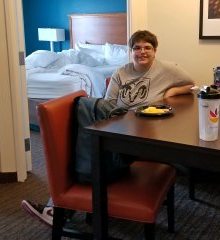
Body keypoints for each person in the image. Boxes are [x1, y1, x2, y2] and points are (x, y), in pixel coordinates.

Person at [21, 30, 195, 227]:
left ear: (155, 51)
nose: (142, 52)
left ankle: (57, 209)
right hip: (118, 129)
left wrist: (171, 91)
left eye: (147, 48)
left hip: (144, 136)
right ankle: (58, 208)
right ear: (131, 51)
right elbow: (108, 105)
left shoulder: (167, 69)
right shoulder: (121, 72)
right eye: (137, 48)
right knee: (85, 147)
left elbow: (190, 83)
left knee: (84, 150)